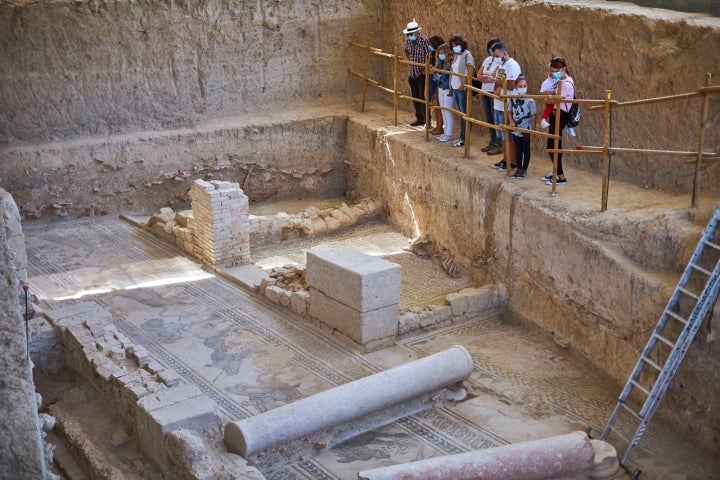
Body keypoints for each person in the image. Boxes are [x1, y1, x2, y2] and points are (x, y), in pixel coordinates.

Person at [541, 56, 575, 186]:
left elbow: (554, 99)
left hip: (561, 114)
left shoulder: (566, 84)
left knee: (553, 146)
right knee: (553, 144)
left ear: (563, 69)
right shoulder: (562, 82)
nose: (553, 73)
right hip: (556, 114)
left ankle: (561, 176)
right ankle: (556, 171)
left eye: (555, 71)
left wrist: (549, 99)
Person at [488, 42, 522, 169]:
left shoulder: (512, 65)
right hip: (498, 104)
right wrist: (496, 84)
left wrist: (496, 81)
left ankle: (512, 161)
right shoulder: (502, 65)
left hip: (507, 105)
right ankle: (505, 159)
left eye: (497, 56)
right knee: (502, 135)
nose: (495, 58)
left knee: (509, 136)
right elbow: (500, 82)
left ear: (504, 53)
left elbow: (511, 84)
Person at [476, 37, 503, 155]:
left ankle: (499, 143)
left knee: (496, 118)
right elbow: (479, 74)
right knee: (489, 118)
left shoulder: (502, 61)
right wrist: (485, 77)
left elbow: (494, 76)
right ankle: (492, 141)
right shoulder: (487, 60)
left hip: (494, 92)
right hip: (485, 91)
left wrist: (486, 77)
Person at [403, 19, 431, 127]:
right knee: (415, 97)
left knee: (423, 98)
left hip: (421, 73)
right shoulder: (408, 41)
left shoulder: (423, 40)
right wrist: (410, 60)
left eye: (411, 34)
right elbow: (405, 50)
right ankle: (420, 118)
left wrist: (425, 68)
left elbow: (429, 55)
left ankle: (427, 120)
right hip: (412, 72)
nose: (410, 36)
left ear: (417, 32)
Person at [508, 75, 537, 179]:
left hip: (526, 129)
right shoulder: (512, 99)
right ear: (516, 87)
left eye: (524, 86)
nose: (522, 88)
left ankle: (524, 170)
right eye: (520, 86)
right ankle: (519, 169)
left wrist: (532, 130)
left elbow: (533, 116)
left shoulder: (531, 101)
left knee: (526, 148)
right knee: (518, 149)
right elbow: (510, 111)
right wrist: (511, 121)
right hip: (516, 129)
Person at [449, 34, 475, 147]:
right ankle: (462, 137)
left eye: (456, 45)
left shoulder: (467, 55)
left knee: (464, 114)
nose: (454, 48)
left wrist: (463, 84)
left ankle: (464, 138)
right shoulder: (456, 55)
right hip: (455, 88)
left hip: (461, 89)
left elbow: (470, 71)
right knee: (461, 114)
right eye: (453, 46)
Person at [539, 67, 576, 136]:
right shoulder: (548, 81)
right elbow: (542, 92)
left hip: (561, 106)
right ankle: (543, 119)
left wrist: (555, 93)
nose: (552, 73)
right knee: (549, 107)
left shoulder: (562, 80)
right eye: (551, 71)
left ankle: (570, 126)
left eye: (554, 71)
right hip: (553, 100)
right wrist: (553, 93)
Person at [434, 44, 454, 143]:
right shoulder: (440, 63)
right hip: (440, 88)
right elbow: (436, 75)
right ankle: (445, 132)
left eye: (442, 53)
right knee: (443, 111)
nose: (440, 55)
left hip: (447, 89)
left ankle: (449, 133)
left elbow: (443, 76)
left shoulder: (449, 64)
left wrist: (438, 74)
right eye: (439, 54)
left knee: (448, 112)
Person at [427, 35, 446, 135]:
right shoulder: (435, 55)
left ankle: (440, 126)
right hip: (435, 81)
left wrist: (433, 70)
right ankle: (438, 125)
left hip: (439, 82)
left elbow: (437, 70)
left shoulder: (443, 58)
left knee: (439, 105)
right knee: (436, 105)